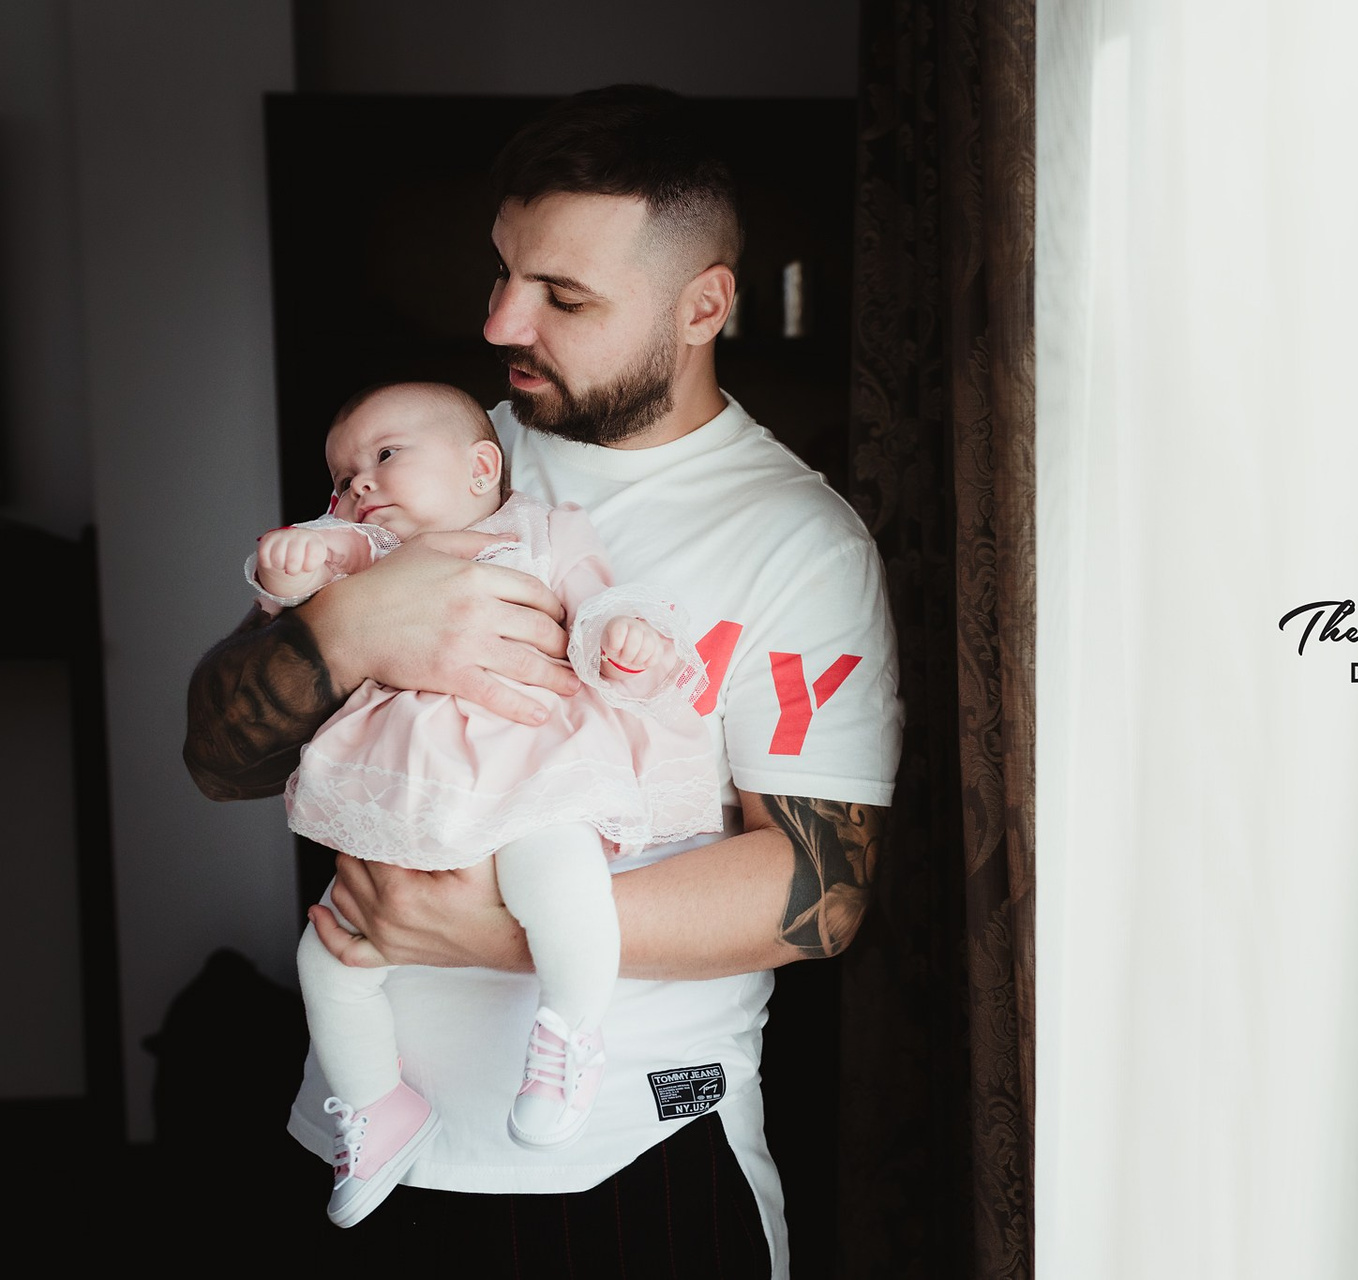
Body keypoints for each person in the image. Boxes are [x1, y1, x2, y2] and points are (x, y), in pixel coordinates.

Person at [184, 85, 902, 1278]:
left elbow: (823, 886)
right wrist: (349, 629)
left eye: (563, 296)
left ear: (703, 305)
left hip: (629, 1160)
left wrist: (493, 933)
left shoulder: (795, 541)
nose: (502, 321)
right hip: (365, 1152)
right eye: (504, 272)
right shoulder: (424, 457)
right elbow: (219, 755)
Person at [253, 381, 720, 1228]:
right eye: (344, 476)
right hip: (412, 797)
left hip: (530, 767)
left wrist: (623, 640)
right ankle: (380, 1105)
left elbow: (597, 600)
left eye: (385, 456)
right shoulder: (371, 551)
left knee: (561, 877)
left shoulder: (543, 533)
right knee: (328, 959)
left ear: (479, 468)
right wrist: (286, 567)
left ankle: (569, 1032)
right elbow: (302, 575)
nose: (360, 483)